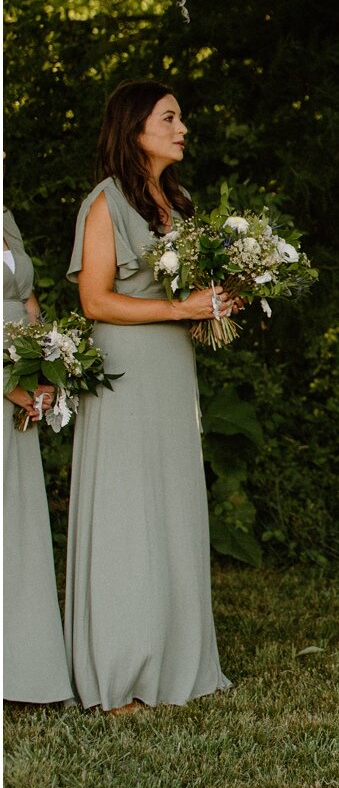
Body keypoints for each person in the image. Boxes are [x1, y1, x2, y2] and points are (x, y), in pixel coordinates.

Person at [66, 80, 236, 714]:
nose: (182, 128)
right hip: (125, 374)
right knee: (127, 515)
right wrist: (178, 305)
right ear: (136, 129)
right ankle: (120, 673)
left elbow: (176, 298)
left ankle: (176, 663)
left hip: (170, 372)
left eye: (182, 118)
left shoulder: (177, 203)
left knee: (170, 507)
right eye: (170, 118)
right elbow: (95, 300)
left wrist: (208, 309)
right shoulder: (105, 204)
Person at [4, 206, 73, 705]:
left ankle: (23, 670)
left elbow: (28, 303)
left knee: (18, 525)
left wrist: (43, 370)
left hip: (17, 386)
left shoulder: (6, 217)